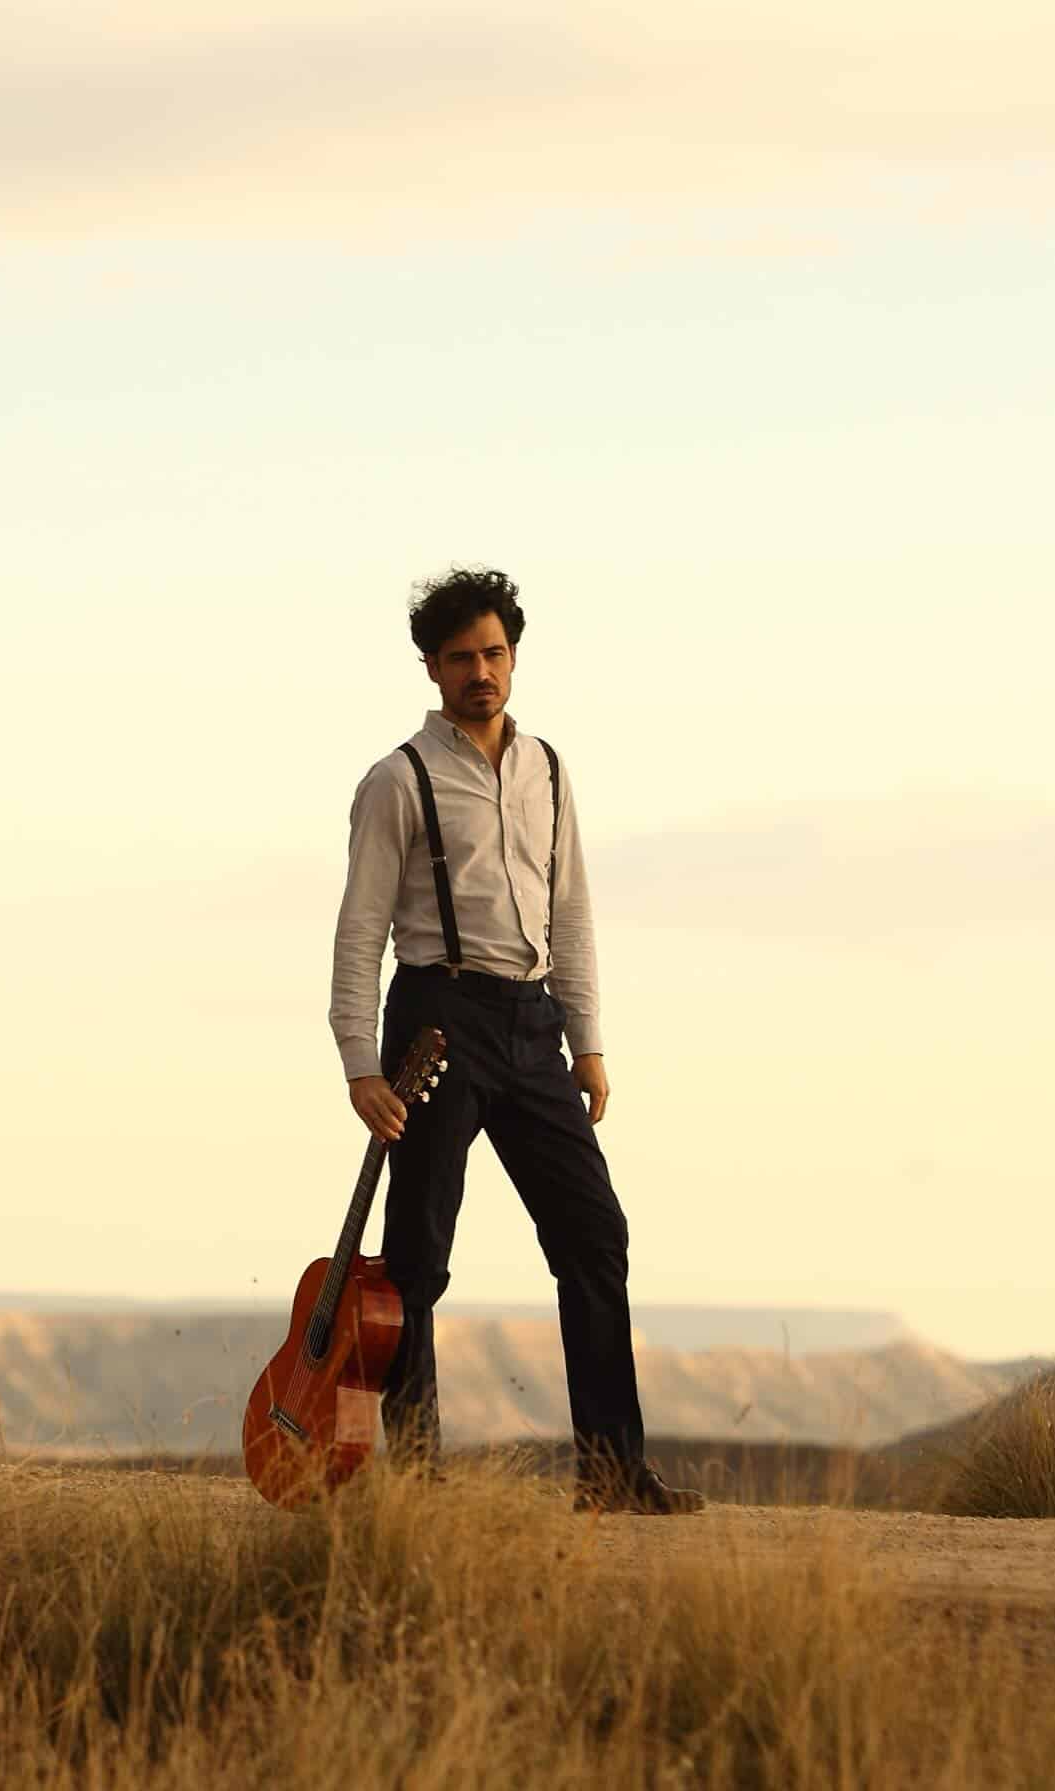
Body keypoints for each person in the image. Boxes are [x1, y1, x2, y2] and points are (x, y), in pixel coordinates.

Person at [328, 566, 703, 1515]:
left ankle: (612, 1476)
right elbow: (360, 928)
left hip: (534, 1025)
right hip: (436, 1022)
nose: (481, 673)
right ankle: (416, 1481)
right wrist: (359, 1063)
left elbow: (570, 910)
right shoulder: (396, 781)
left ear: (513, 656)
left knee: (594, 1232)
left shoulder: (549, 769)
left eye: (494, 653)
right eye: (461, 658)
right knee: (416, 1259)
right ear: (431, 666)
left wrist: (590, 1040)